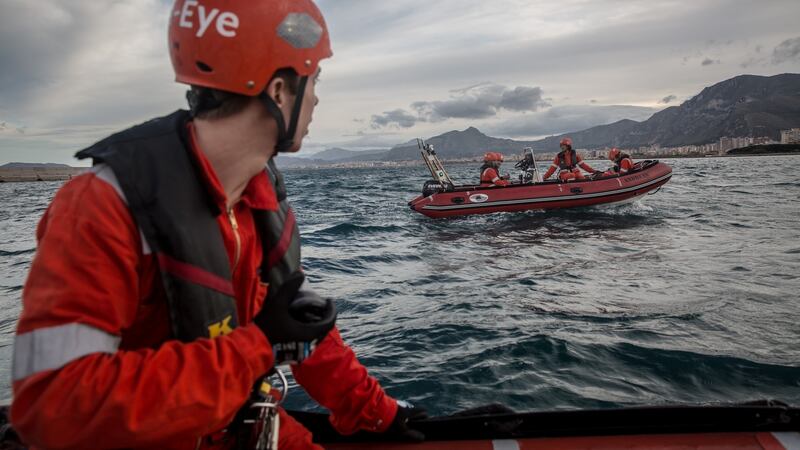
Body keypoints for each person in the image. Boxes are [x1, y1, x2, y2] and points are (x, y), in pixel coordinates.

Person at [10, 1, 426, 449]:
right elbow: (55, 406)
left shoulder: (258, 200)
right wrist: (258, 348)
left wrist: (378, 414)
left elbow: (298, 331)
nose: (318, 97)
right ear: (281, 90)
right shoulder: (102, 207)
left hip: (244, 424)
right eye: (315, 79)